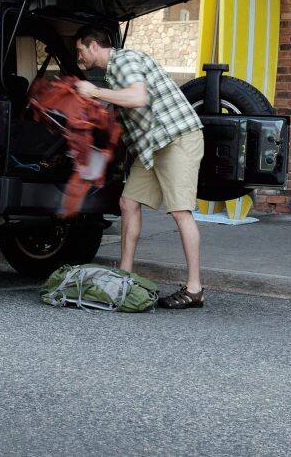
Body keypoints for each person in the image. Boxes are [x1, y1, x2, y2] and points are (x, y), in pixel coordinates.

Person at [72, 25, 206, 310]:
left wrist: (95, 91)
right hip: (153, 147)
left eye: (80, 50)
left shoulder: (125, 61)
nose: (79, 56)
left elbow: (137, 97)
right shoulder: (114, 73)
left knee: (181, 211)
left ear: (94, 45)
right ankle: (125, 276)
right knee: (128, 202)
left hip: (176, 138)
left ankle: (195, 289)